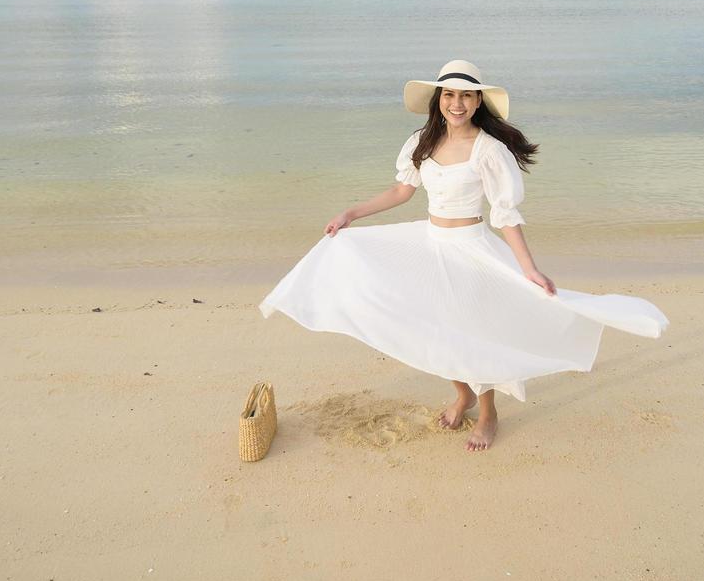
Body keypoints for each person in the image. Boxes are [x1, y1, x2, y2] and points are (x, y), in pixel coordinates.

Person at [260, 60, 669, 451]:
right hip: (429, 244)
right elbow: (402, 191)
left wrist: (529, 267)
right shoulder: (421, 141)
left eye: (466, 97)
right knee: (437, 328)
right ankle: (463, 395)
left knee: (473, 332)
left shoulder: (488, 150)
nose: (457, 104)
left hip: (471, 250)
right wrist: (350, 213)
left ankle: (487, 413)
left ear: (478, 103)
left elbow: (505, 214)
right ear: (438, 99)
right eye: (449, 95)